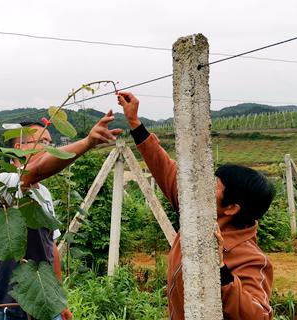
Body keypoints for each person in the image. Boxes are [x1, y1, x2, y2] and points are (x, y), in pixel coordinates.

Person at [116, 92, 275, 320]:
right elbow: (166, 169)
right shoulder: (197, 212)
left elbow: (259, 315)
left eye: (214, 185)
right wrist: (134, 122)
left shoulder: (249, 257)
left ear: (231, 208)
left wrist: (220, 270)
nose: (203, 187)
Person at [0, 112, 123, 320]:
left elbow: (51, 248)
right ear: (17, 149)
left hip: (46, 302)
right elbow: (35, 171)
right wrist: (88, 141)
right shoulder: (4, 181)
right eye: (41, 141)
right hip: (10, 304)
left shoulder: (44, 193)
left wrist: (60, 299)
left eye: (50, 142)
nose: (49, 147)